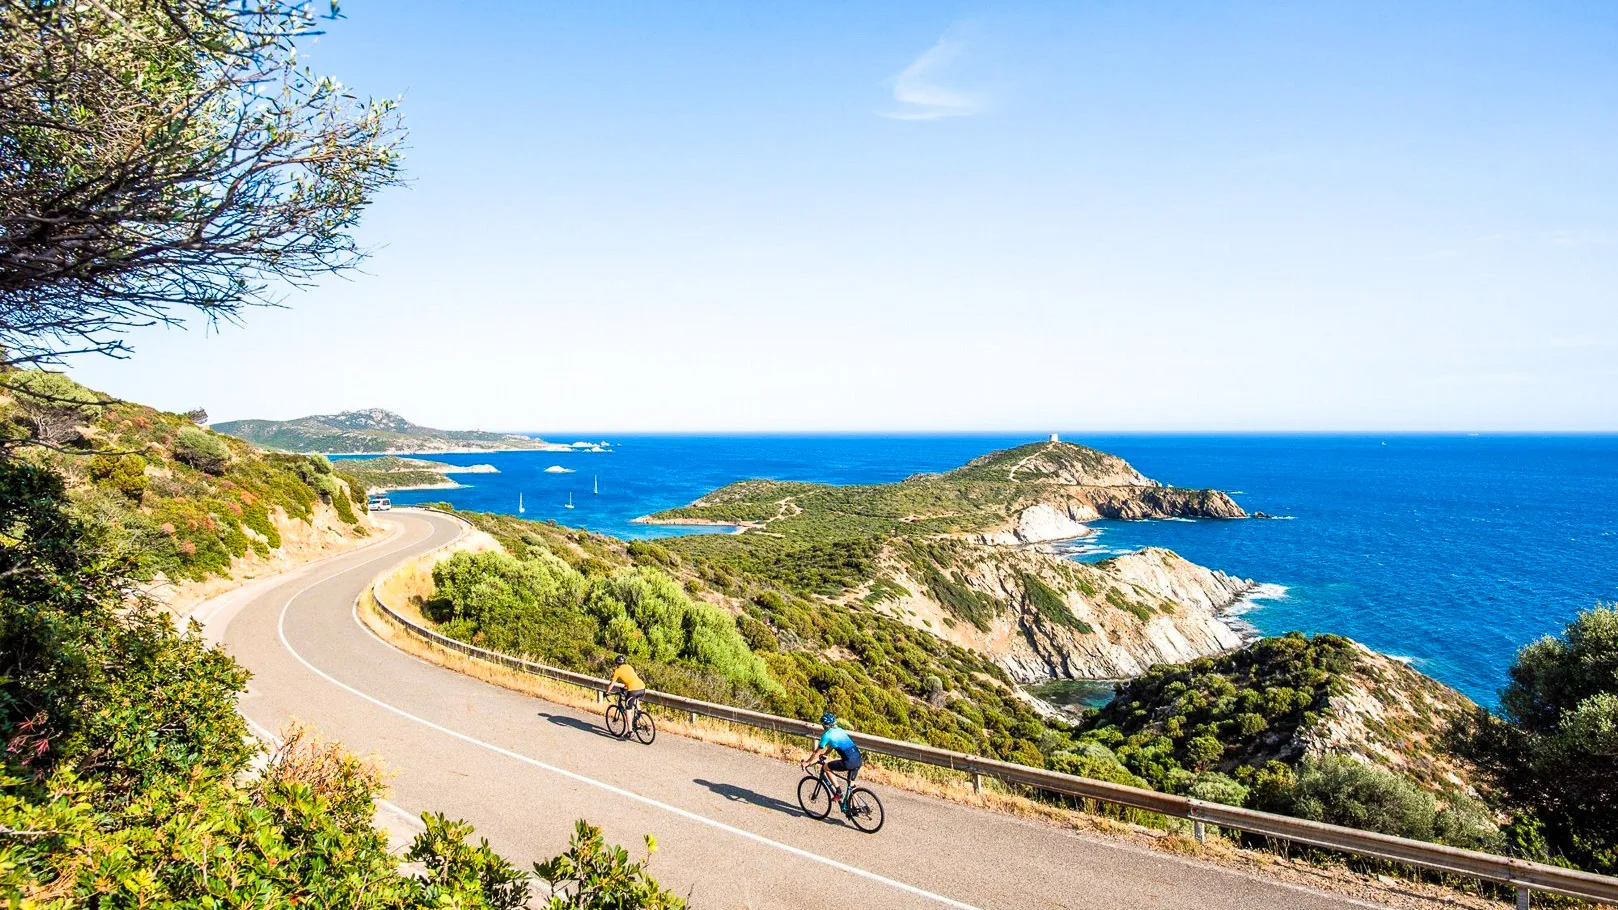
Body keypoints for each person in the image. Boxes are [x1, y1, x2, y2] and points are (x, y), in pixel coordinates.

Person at [802, 712, 862, 811]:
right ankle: (855, 808)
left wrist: (807, 762)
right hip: (858, 759)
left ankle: (838, 792)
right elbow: (833, 745)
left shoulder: (826, 735)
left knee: (826, 767)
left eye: (822, 724)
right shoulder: (840, 730)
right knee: (851, 784)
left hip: (849, 761)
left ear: (825, 725)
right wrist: (826, 754)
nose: (822, 726)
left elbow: (816, 753)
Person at [605, 655, 646, 739]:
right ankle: (641, 721)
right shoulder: (629, 667)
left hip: (633, 689)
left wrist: (607, 692)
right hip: (642, 687)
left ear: (617, 664)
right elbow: (630, 678)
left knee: (628, 710)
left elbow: (612, 684)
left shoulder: (617, 671)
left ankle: (630, 732)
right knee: (636, 702)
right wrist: (625, 687)